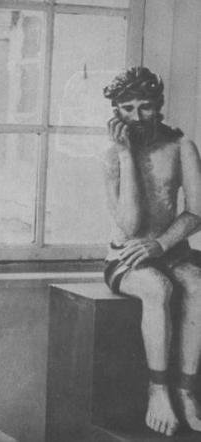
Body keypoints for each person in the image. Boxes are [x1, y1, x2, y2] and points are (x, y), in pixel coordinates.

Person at [103, 66, 201, 436]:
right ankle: (157, 390)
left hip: (171, 249)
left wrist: (160, 244)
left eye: (145, 106)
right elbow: (130, 227)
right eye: (127, 108)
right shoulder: (111, 157)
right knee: (157, 289)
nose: (137, 116)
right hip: (125, 257)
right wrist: (127, 155)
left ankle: (186, 390)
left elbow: (197, 212)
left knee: (198, 285)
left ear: (158, 106)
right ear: (116, 111)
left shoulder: (181, 146)